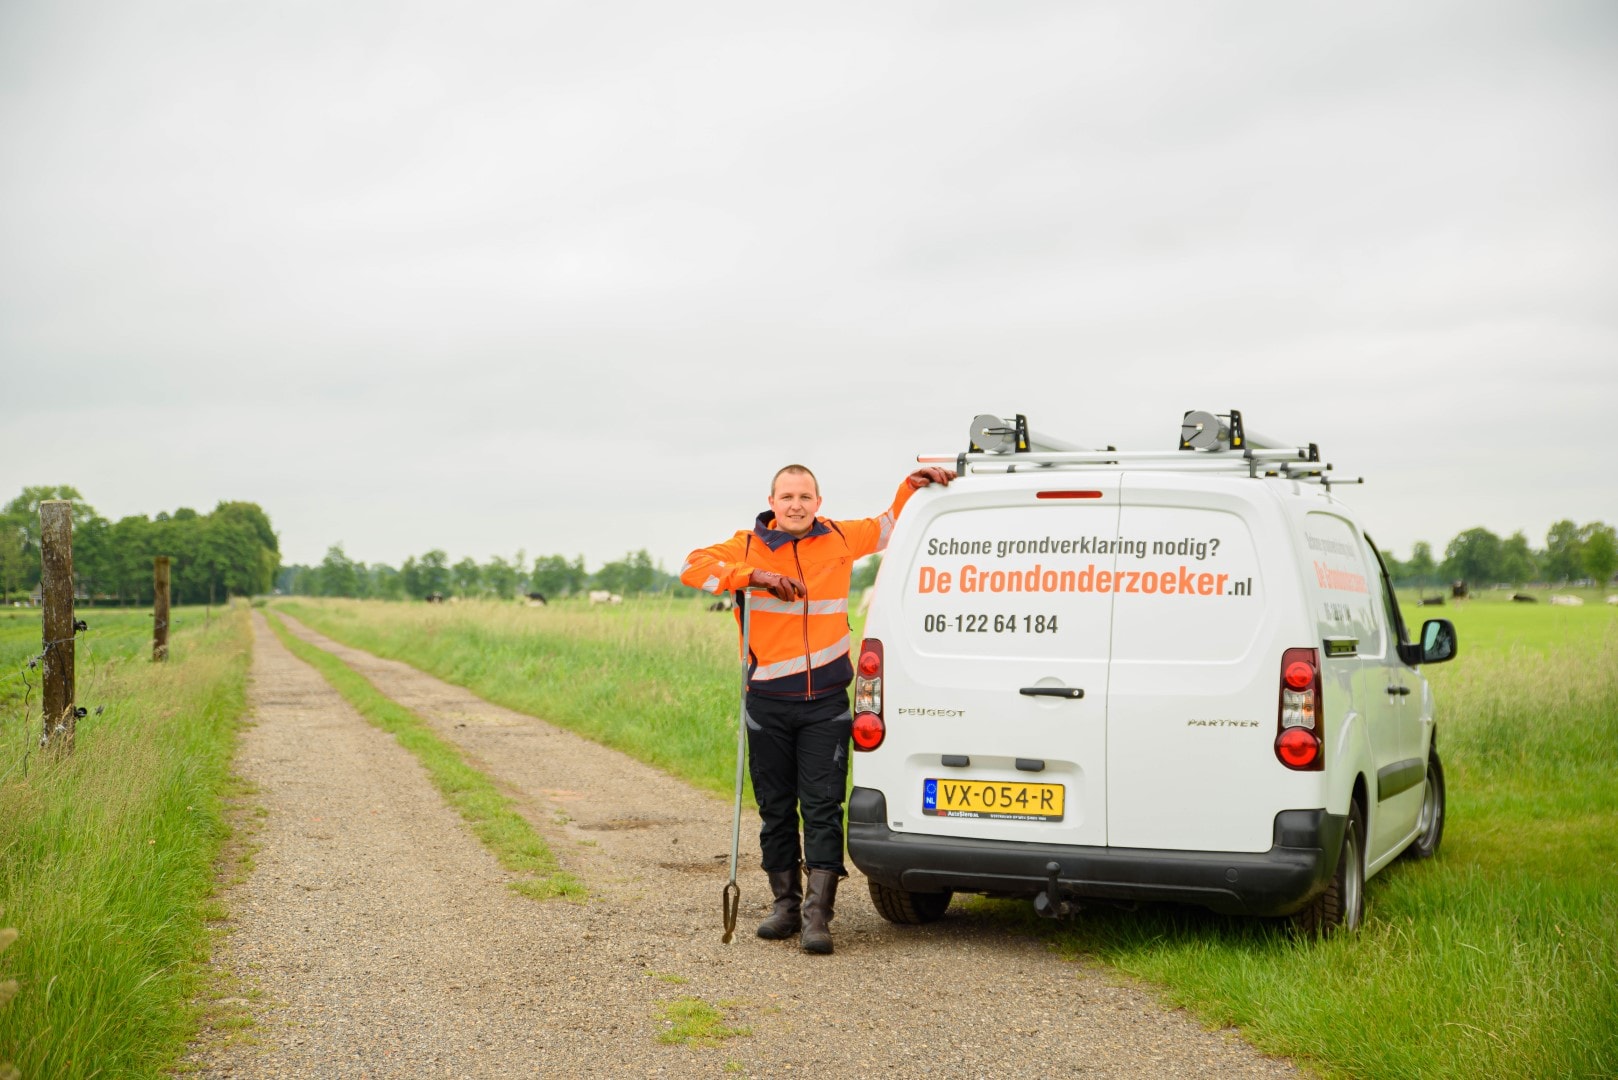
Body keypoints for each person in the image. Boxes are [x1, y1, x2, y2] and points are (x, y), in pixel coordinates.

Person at [681, 462, 955, 954]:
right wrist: (755, 576)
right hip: (766, 701)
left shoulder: (839, 538)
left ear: (818, 502)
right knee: (776, 810)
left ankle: (817, 916)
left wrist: (910, 484)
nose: (796, 505)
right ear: (772, 501)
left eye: (805, 496)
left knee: (824, 808)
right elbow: (692, 568)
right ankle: (784, 906)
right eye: (787, 496)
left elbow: (891, 524)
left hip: (826, 702)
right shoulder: (744, 546)